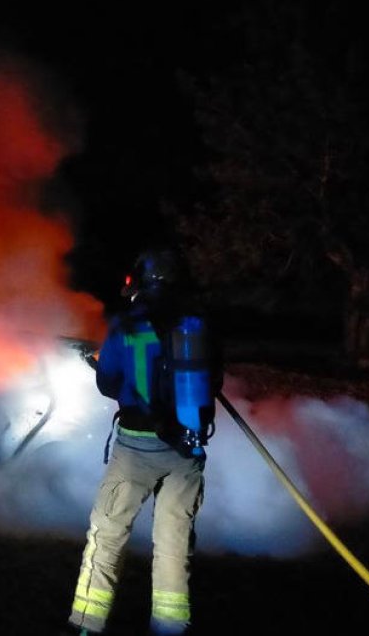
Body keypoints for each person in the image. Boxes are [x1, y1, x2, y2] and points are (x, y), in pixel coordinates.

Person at [65, 249, 223, 636]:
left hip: (135, 450)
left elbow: (108, 384)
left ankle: (86, 624)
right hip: (186, 450)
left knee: (107, 535)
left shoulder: (126, 325)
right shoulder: (197, 323)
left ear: (141, 282)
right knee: (174, 544)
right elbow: (214, 380)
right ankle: (170, 627)